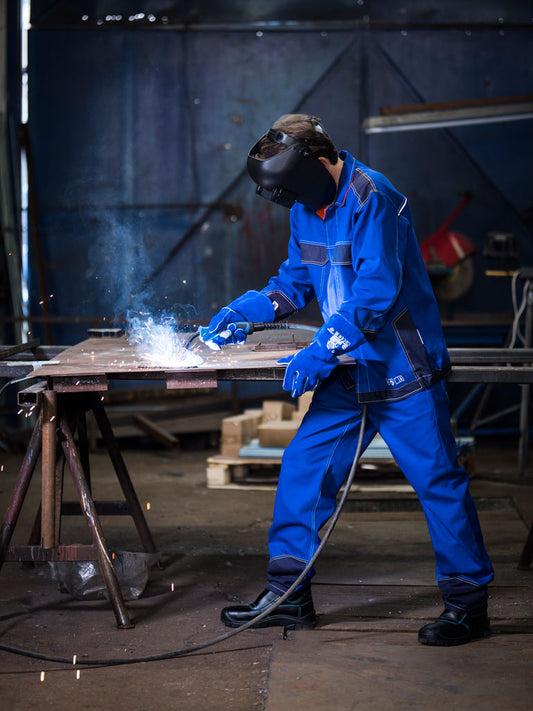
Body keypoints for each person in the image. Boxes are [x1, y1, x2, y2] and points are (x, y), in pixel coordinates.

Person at [200, 113, 494, 646]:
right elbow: (294, 283)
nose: (294, 203)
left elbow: (376, 292)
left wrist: (320, 349)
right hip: (348, 367)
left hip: (401, 369)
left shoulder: (372, 196)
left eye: (294, 190)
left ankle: (467, 605)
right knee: (304, 470)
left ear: (317, 162)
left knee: (438, 483)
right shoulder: (305, 208)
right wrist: (249, 309)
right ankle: (290, 597)